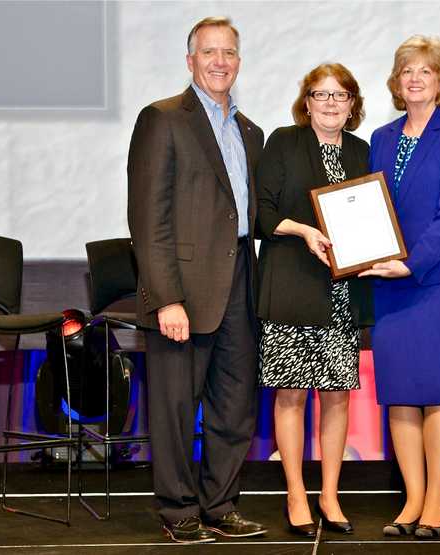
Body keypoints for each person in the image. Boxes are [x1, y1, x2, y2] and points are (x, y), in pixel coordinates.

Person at [127, 17, 266, 544]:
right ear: (190, 61)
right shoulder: (162, 119)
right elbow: (147, 216)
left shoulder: (248, 131)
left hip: (239, 286)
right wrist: (166, 298)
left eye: (229, 52)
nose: (220, 61)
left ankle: (220, 505)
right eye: (209, 52)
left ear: (239, 61)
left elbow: (247, 215)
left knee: (234, 406)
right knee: (175, 407)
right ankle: (179, 510)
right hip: (183, 293)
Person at [359, 35, 440, 538]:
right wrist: (365, 253)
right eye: (407, 69)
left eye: (425, 71)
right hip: (387, 282)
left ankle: (436, 502)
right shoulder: (381, 138)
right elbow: (368, 210)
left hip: (437, 280)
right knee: (401, 395)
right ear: (396, 79)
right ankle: (410, 501)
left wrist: (409, 264)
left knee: (438, 393)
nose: (415, 78)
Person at [255, 63, 373, 536]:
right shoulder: (284, 141)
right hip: (290, 285)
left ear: (352, 104)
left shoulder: (362, 151)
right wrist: (304, 230)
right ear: (306, 102)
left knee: (337, 397)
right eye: (320, 94)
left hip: (341, 291)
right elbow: (262, 213)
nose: (329, 103)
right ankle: (296, 494)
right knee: (291, 395)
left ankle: (329, 494)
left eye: (339, 95)